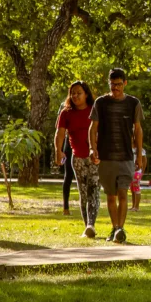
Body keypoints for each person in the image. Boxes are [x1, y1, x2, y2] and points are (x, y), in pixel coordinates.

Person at [87, 68, 145, 244]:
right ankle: (114, 228)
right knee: (111, 196)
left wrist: (140, 155)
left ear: (125, 83)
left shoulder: (134, 103)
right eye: (112, 85)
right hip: (106, 156)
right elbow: (93, 128)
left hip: (126, 157)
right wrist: (92, 148)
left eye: (119, 84)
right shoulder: (101, 103)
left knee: (123, 193)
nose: (115, 88)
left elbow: (138, 129)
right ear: (109, 83)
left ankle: (120, 228)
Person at [54, 80, 100, 238]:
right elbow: (60, 134)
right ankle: (87, 226)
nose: (75, 95)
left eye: (78, 92)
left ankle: (91, 224)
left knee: (93, 189)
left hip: (95, 156)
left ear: (86, 94)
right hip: (77, 158)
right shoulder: (66, 113)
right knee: (83, 191)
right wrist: (58, 151)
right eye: (72, 93)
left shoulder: (95, 110)